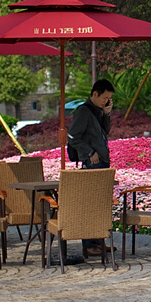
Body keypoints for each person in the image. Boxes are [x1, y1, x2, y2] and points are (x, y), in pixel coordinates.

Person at [67, 78, 114, 257]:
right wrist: (89, 153)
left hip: (102, 161)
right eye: (104, 98)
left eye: (109, 98)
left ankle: (99, 241)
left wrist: (106, 113)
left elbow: (104, 132)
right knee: (90, 204)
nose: (106, 101)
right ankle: (89, 244)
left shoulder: (97, 111)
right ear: (95, 94)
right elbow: (72, 136)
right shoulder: (84, 112)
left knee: (100, 203)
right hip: (92, 163)